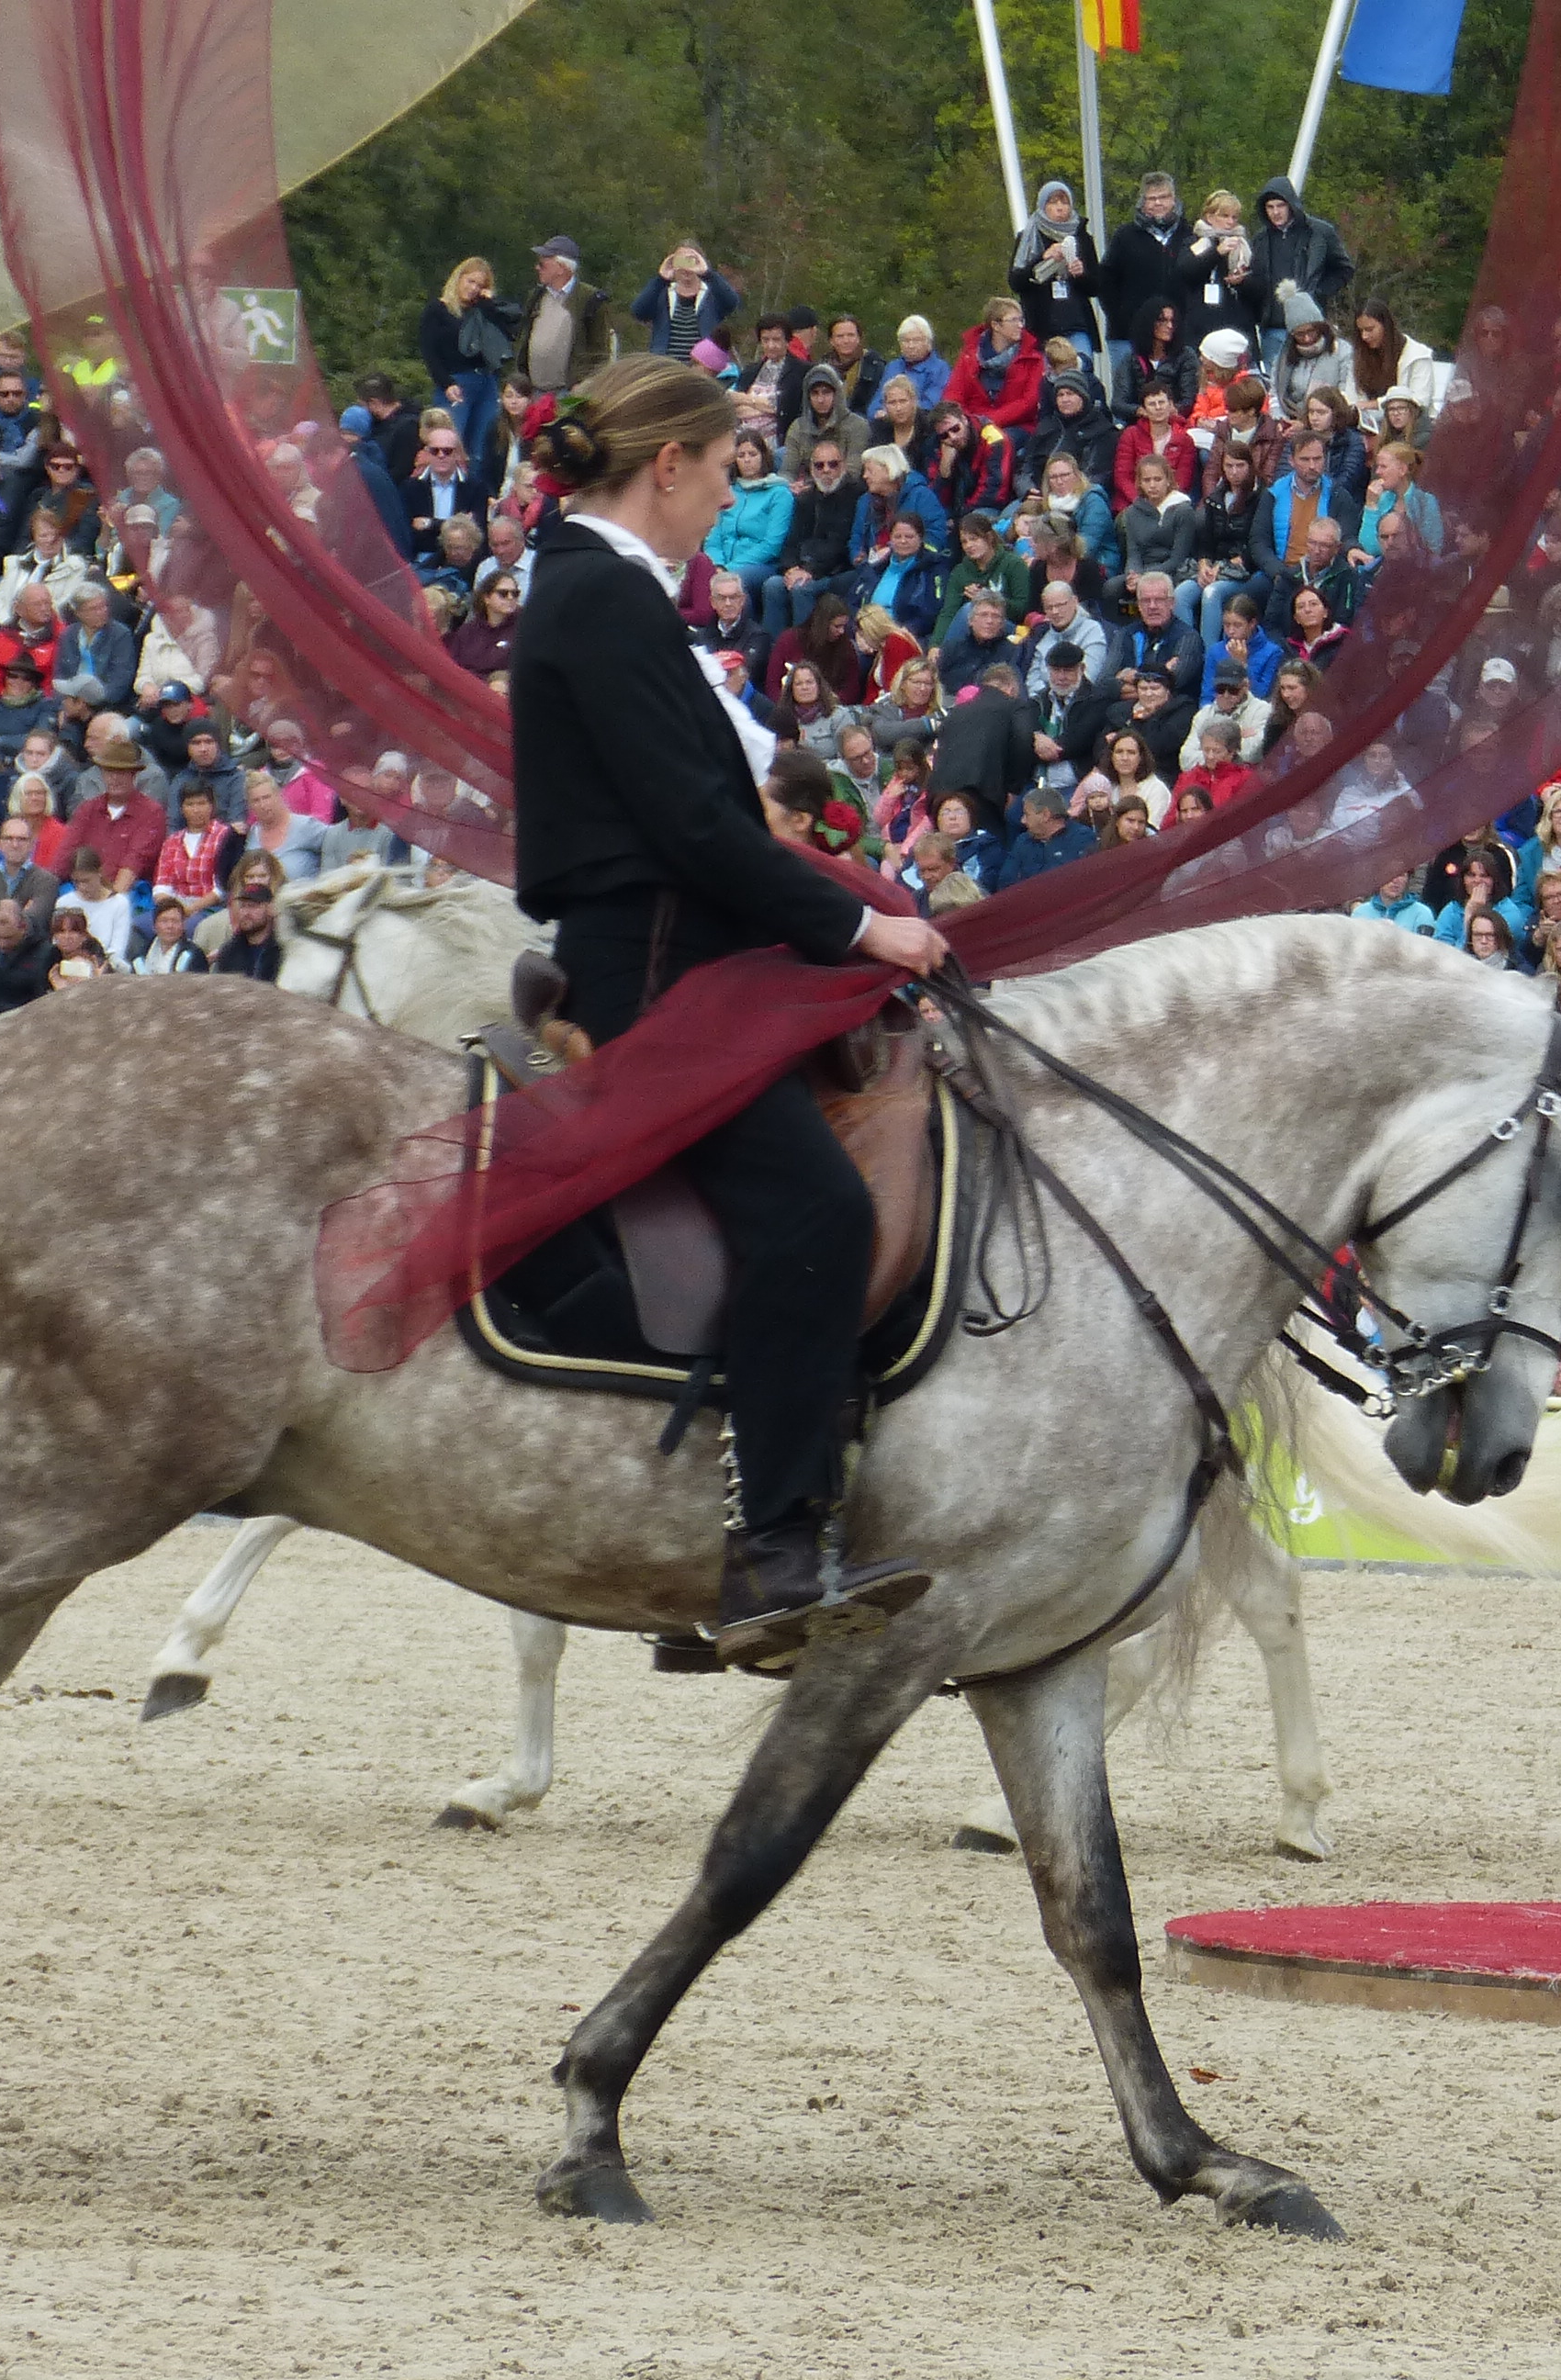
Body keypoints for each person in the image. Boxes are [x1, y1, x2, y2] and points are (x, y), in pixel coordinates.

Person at [511, 355, 957, 1667]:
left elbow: (719, 795)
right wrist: (868, 924)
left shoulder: (603, 594)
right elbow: (697, 830)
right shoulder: (605, 601)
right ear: (668, 466)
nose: (726, 496)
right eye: (720, 470)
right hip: (654, 968)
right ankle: (771, 1552)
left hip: (675, 947)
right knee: (818, 1210)